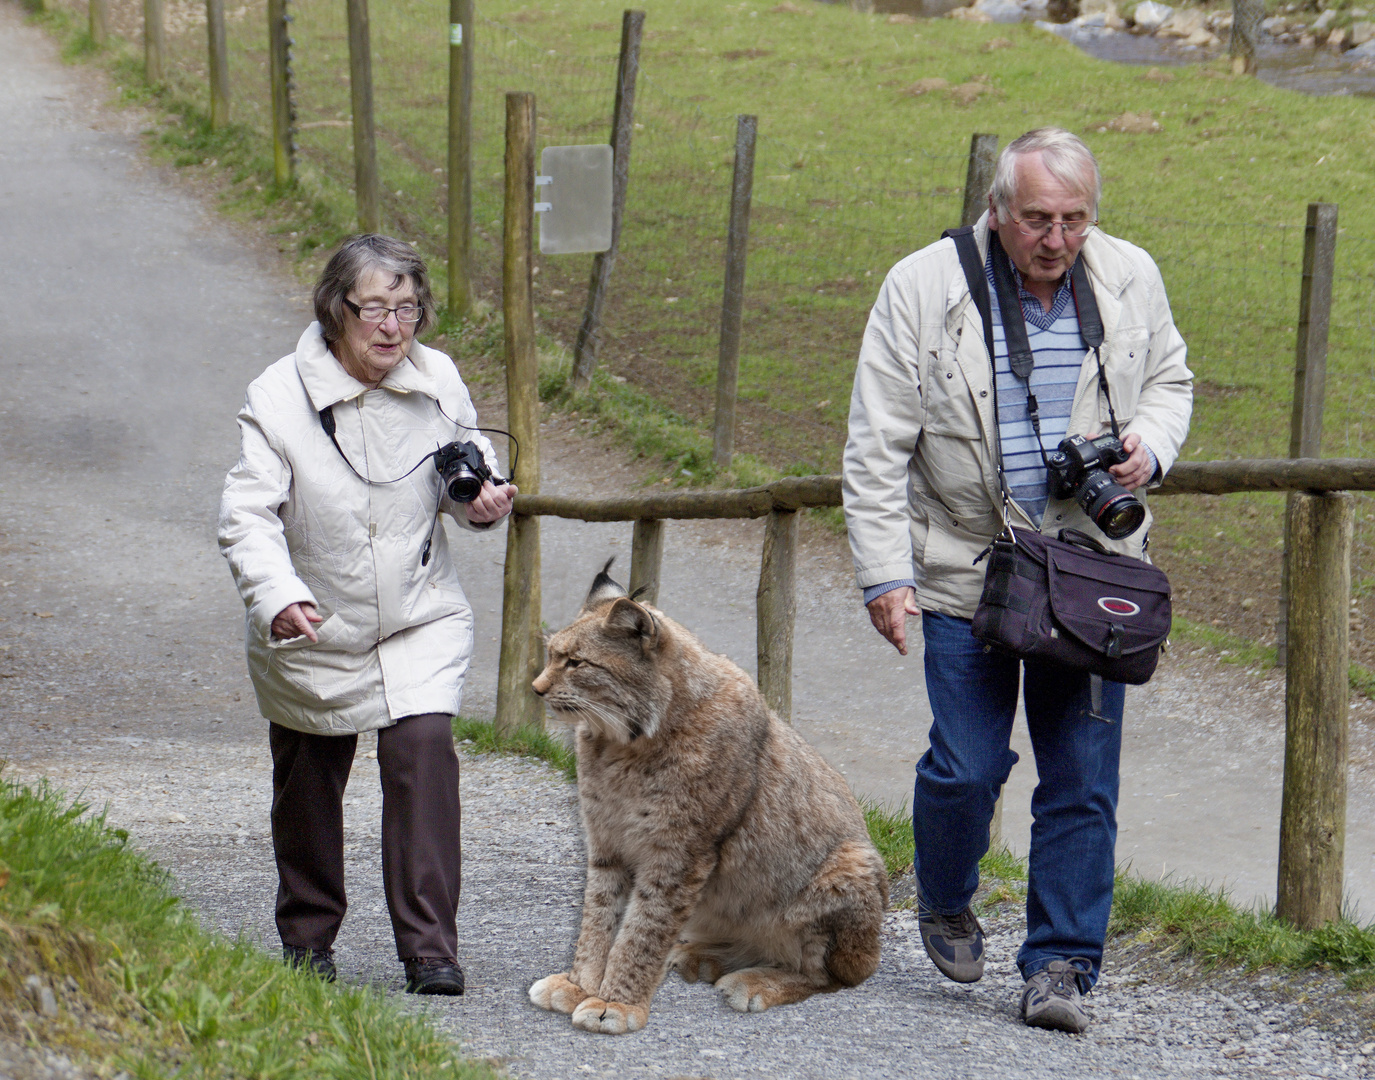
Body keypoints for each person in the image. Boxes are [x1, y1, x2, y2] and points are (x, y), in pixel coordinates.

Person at [842, 128, 1192, 1033]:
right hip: (967, 560)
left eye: (1074, 219)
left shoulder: (1128, 275)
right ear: (998, 211)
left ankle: (1061, 968)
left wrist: (1148, 447)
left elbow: (1170, 380)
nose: (1056, 238)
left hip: (1089, 566)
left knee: (1080, 776)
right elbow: (876, 444)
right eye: (1037, 218)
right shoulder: (922, 286)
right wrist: (884, 574)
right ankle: (948, 894)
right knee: (965, 766)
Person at [218, 234, 516, 995]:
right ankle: (308, 939)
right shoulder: (280, 395)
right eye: (375, 308)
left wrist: (481, 500)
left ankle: (430, 950)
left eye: (407, 309)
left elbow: (468, 463)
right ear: (335, 310)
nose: (392, 327)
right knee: (309, 781)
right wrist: (277, 595)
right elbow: (247, 514)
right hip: (315, 618)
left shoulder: (438, 376)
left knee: (422, 755)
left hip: (418, 614)